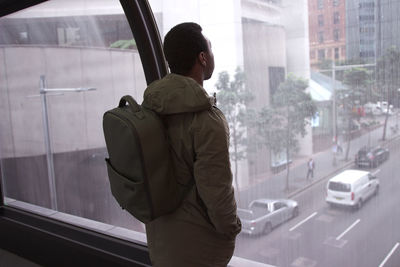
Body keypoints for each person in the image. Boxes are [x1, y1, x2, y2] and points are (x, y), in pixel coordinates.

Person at [142, 22, 242, 267]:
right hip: (197, 250)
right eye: (210, 49)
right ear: (202, 58)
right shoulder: (207, 121)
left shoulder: (150, 108)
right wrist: (232, 228)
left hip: (160, 242)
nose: (212, 54)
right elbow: (217, 194)